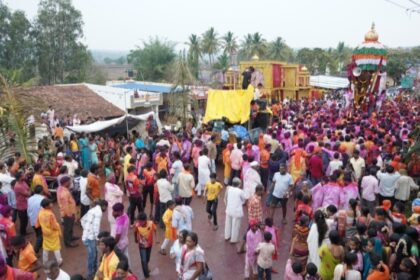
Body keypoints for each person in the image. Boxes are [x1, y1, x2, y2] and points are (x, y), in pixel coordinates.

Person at [81, 199, 108, 279]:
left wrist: (86, 229)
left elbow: (83, 220)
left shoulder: (93, 210)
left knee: (94, 254)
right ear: (103, 206)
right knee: (92, 256)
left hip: (86, 236)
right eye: (106, 207)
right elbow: (96, 226)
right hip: (90, 238)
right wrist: (98, 238)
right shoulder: (98, 212)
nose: (106, 209)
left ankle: (95, 270)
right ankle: (90, 274)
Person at [36, 199, 62, 266]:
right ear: (47, 206)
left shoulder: (40, 212)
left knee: (46, 247)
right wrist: (58, 227)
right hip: (52, 233)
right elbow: (54, 225)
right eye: (50, 203)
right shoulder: (50, 214)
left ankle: (45, 262)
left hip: (45, 232)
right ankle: (59, 261)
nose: (52, 204)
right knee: (56, 247)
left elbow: (37, 224)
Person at [56, 176, 78, 247]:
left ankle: (71, 237)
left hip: (68, 212)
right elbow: (65, 205)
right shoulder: (64, 193)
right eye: (69, 181)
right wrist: (69, 214)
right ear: (66, 183)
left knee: (69, 226)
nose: (70, 183)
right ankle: (68, 242)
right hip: (68, 213)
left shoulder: (61, 188)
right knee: (67, 228)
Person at [134, 212, 156, 280]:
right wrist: (135, 239)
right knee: (143, 260)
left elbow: (155, 229)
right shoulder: (137, 225)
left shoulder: (151, 224)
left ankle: (146, 266)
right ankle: (146, 276)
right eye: (138, 221)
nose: (139, 223)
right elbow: (135, 232)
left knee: (147, 258)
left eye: (141, 221)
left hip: (149, 244)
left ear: (145, 220)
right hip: (141, 245)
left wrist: (156, 239)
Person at [224, 177, 246, 243]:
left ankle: (227, 236)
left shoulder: (229, 189)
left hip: (229, 209)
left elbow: (225, 198)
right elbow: (244, 200)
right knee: (235, 225)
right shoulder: (240, 191)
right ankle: (233, 239)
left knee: (227, 224)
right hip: (236, 211)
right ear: (239, 184)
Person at [27, 185, 44, 253]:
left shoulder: (30, 198)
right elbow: (43, 210)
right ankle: (35, 250)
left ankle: (40, 244)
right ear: (41, 191)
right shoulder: (42, 199)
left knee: (37, 233)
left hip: (32, 218)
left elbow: (28, 209)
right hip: (39, 220)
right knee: (40, 235)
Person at [14, 171, 30, 236]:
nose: (24, 175)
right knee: (23, 221)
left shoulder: (23, 182)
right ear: (20, 177)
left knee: (25, 219)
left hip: (25, 204)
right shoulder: (18, 186)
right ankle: (22, 234)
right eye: (23, 175)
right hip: (21, 206)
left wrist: (28, 191)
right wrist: (28, 192)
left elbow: (28, 189)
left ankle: (24, 232)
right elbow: (28, 193)